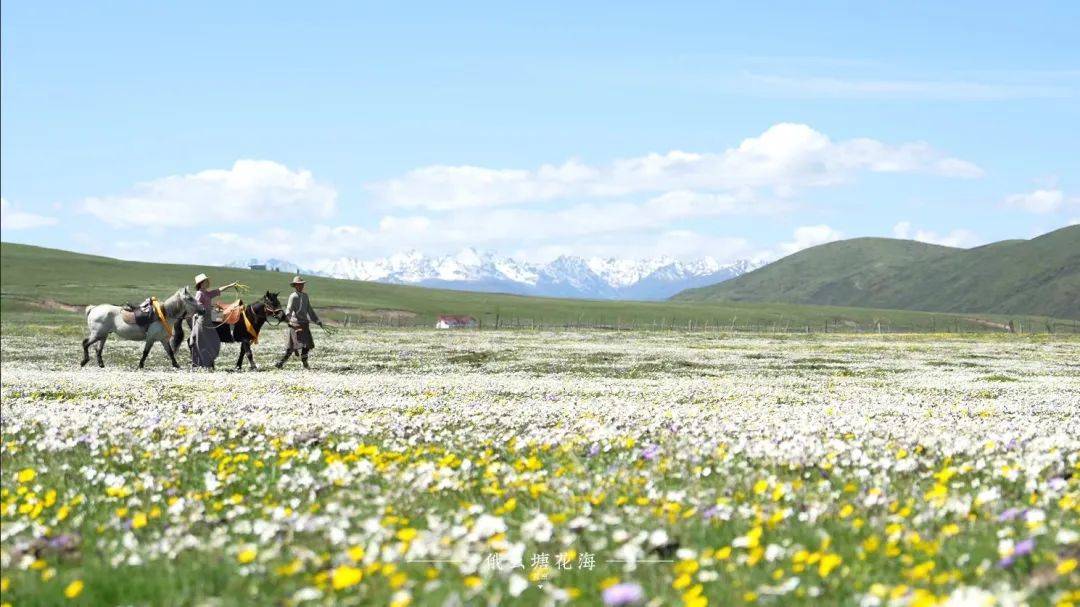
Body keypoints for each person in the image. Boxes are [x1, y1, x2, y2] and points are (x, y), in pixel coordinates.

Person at [190, 273, 238, 369]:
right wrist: (206, 308)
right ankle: (203, 363)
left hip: (209, 317)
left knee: (224, 318)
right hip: (203, 320)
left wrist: (230, 286)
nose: (207, 282)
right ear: (201, 283)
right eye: (205, 281)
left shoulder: (207, 293)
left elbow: (218, 290)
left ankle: (230, 335)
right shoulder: (199, 293)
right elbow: (196, 304)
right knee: (206, 342)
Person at [276, 276, 324, 369]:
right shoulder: (293, 296)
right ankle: (281, 363)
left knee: (307, 345)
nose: (301, 286)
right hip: (295, 324)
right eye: (298, 285)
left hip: (304, 323)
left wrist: (317, 320)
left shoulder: (305, 296)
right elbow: (289, 309)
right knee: (292, 347)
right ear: (295, 286)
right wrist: (288, 319)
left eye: (302, 284)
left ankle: (305, 363)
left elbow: (309, 309)